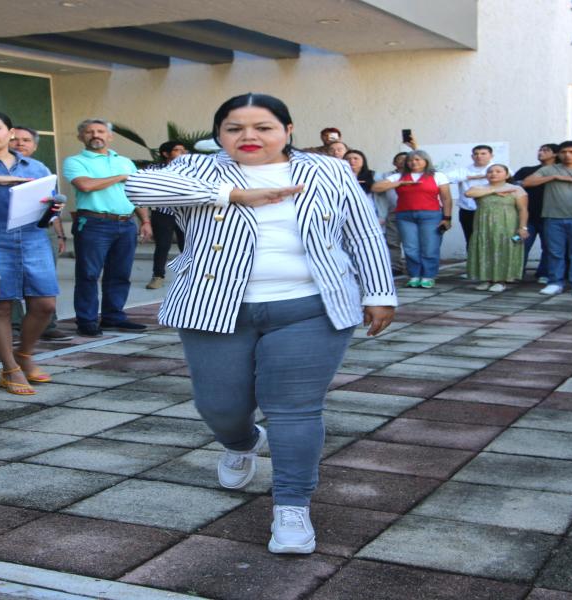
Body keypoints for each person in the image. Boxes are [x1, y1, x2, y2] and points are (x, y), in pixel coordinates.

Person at [125, 93, 395, 555]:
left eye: (263, 127)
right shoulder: (200, 168)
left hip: (310, 306)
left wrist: (379, 291)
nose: (248, 136)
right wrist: (231, 195)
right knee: (220, 407)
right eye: (234, 128)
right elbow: (137, 189)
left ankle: (291, 506)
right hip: (213, 307)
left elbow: (362, 229)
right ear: (219, 135)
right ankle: (242, 441)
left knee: (295, 409)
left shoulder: (327, 169)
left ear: (288, 131)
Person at [0, 110, 61, 396]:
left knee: (45, 304)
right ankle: (9, 368)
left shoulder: (35, 167)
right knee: (2, 306)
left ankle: (25, 354)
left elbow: (49, 207)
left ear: (10, 133)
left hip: (33, 238)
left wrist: (53, 208)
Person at [63, 118, 151, 336]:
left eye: (100, 131)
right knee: (89, 274)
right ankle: (87, 320)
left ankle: (113, 317)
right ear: (80, 137)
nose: (95, 135)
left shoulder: (125, 161)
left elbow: (136, 193)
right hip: (94, 223)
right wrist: (121, 177)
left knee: (120, 273)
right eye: (89, 132)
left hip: (126, 223)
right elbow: (85, 185)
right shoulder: (75, 161)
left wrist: (145, 220)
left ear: (109, 136)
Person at [7, 125, 72, 341]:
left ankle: (48, 325)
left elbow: (52, 204)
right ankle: (13, 326)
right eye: (15, 139)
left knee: (44, 281)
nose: (20, 143)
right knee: (9, 281)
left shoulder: (40, 168)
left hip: (41, 232)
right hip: (5, 234)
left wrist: (60, 235)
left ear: (34, 147)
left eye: (26, 140)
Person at [523, 141, 572, 297]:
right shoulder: (548, 169)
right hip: (552, 217)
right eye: (564, 152)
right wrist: (554, 177)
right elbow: (527, 182)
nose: (567, 155)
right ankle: (554, 282)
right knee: (554, 252)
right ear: (558, 154)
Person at [373, 150, 453, 288]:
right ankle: (414, 275)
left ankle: (428, 275)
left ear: (426, 161)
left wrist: (447, 218)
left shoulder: (437, 175)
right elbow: (376, 187)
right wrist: (399, 184)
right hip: (405, 216)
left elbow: (446, 198)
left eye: (418, 159)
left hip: (431, 215)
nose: (414, 162)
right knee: (410, 247)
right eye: (410, 160)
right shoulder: (399, 176)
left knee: (430, 247)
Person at [464, 164, 529, 292]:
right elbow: (468, 193)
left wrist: (523, 227)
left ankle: (501, 280)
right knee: (484, 249)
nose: (493, 174)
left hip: (507, 225)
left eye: (498, 171)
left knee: (504, 249)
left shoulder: (516, 189)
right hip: (483, 226)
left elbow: (523, 209)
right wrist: (494, 191)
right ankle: (485, 279)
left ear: (507, 175)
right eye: (490, 171)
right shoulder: (479, 188)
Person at [513, 144, 558, 283]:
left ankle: (544, 273)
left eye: (546, 150)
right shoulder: (527, 170)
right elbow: (516, 184)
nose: (541, 152)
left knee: (549, 247)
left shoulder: (562, 171)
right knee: (520, 244)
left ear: (555, 154)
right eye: (540, 149)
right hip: (527, 215)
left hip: (550, 215)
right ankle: (516, 272)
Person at [146, 141, 187, 290]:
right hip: (163, 213)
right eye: (178, 150)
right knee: (162, 246)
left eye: (184, 150)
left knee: (188, 246)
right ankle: (158, 276)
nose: (183, 153)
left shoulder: (192, 170)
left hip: (186, 213)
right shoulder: (154, 169)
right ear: (165, 153)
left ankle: (190, 276)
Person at [448, 145, 495, 248]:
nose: (479, 156)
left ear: (491, 155)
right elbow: (445, 178)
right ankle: (474, 263)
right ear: (472, 156)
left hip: (492, 210)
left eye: (483, 153)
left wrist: (487, 176)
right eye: (476, 154)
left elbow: (509, 177)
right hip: (468, 210)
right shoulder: (463, 170)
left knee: (492, 240)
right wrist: (472, 177)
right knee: (471, 240)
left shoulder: (497, 168)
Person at [374, 152, 408, 275]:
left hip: (411, 212)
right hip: (393, 211)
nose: (403, 161)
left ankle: (414, 267)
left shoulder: (415, 175)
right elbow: (377, 188)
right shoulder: (386, 176)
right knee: (392, 241)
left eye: (406, 159)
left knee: (411, 242)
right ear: (394, 162)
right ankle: (395, 266)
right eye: (399, 159)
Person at [344, 149, 376, 214]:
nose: (351, 161)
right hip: (347, 211)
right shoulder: (339, 176)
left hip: (370, 211)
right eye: (347, 159)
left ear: (363, 161)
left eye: (355, 158)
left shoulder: (373, 175)